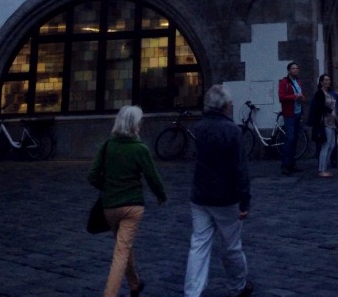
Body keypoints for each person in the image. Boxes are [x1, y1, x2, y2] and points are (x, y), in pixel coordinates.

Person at [88, 105, 166, 297]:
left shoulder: (108, 146)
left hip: (110, 207)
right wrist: (161, 195)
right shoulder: (140, 149)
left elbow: (92, 175)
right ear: (134, 125)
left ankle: (134, 284)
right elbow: (152, 177)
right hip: (132, 206)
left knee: (123, 245)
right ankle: (110, 294)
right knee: (122, 252)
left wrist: (107, 188)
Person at [184, 85, 253, 297]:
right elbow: (240, 167)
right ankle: (237, 286)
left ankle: (192, 292)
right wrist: (245, 200)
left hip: (200, 194)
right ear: (224, 106)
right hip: (226, 197)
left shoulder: (200, 127)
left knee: (199, 244)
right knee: (231, 246)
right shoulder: (232, 130)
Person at [278, 61, 306, 174]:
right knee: (289, 139)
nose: (295, 70)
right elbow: (282, 97)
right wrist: (295, 96)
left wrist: (302, 98)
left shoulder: (298, 81)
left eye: (297, 68)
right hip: (289, 114)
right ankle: (285, 165)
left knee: (294, 139)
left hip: (298, 113)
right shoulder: (284, 82)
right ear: (289, 70)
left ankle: (292, 163)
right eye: (293, 68)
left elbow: (300, 95)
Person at [308, 73, 338, 178]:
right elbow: (320, 106)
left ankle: (325, 167)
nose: (328, 81)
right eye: (326, 80)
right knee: (325, 145)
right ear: (321, 82)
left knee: (332, 145)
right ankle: (321, 169)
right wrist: (330, 111)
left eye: (329, 79)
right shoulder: (320, 93)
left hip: (332, 122)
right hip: (324, 122)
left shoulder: (329, 93)